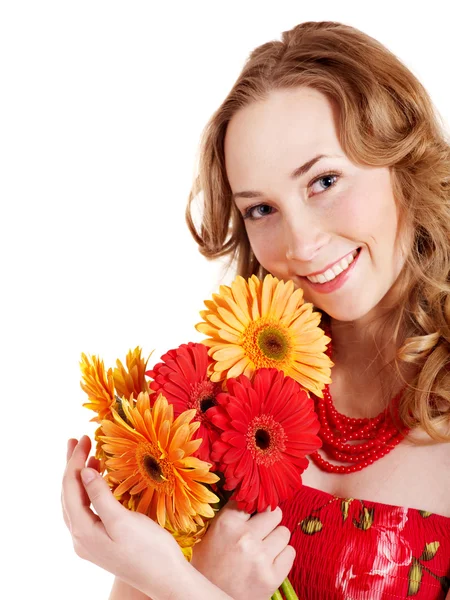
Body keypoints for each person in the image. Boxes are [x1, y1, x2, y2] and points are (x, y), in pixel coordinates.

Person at [62, 20, 450, 600]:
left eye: (324, 181)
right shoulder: (219, 396)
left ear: (405, 162)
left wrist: (179, 582)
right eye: (262, 209)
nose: (301, 243)